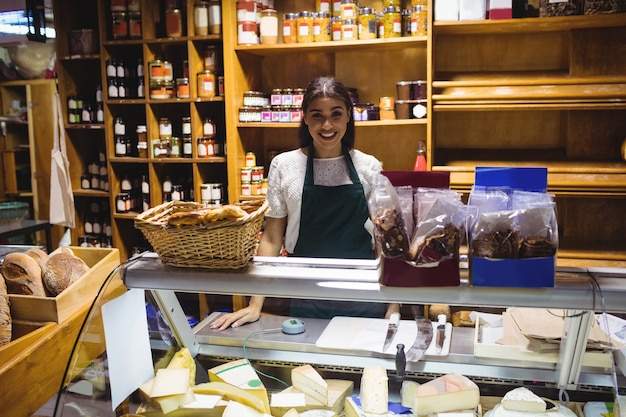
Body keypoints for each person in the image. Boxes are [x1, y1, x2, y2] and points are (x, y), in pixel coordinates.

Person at [210, 77, 399, 330]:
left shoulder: (369, 167)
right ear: (305, 118)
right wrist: (255, 304)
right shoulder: (284, 166)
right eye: (317, 115)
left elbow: (383, 239)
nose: (327, 124)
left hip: (362, 292)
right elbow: (271, 238)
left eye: (336, 114)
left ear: (348, 117)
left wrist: (393, 306)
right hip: (306, 291)